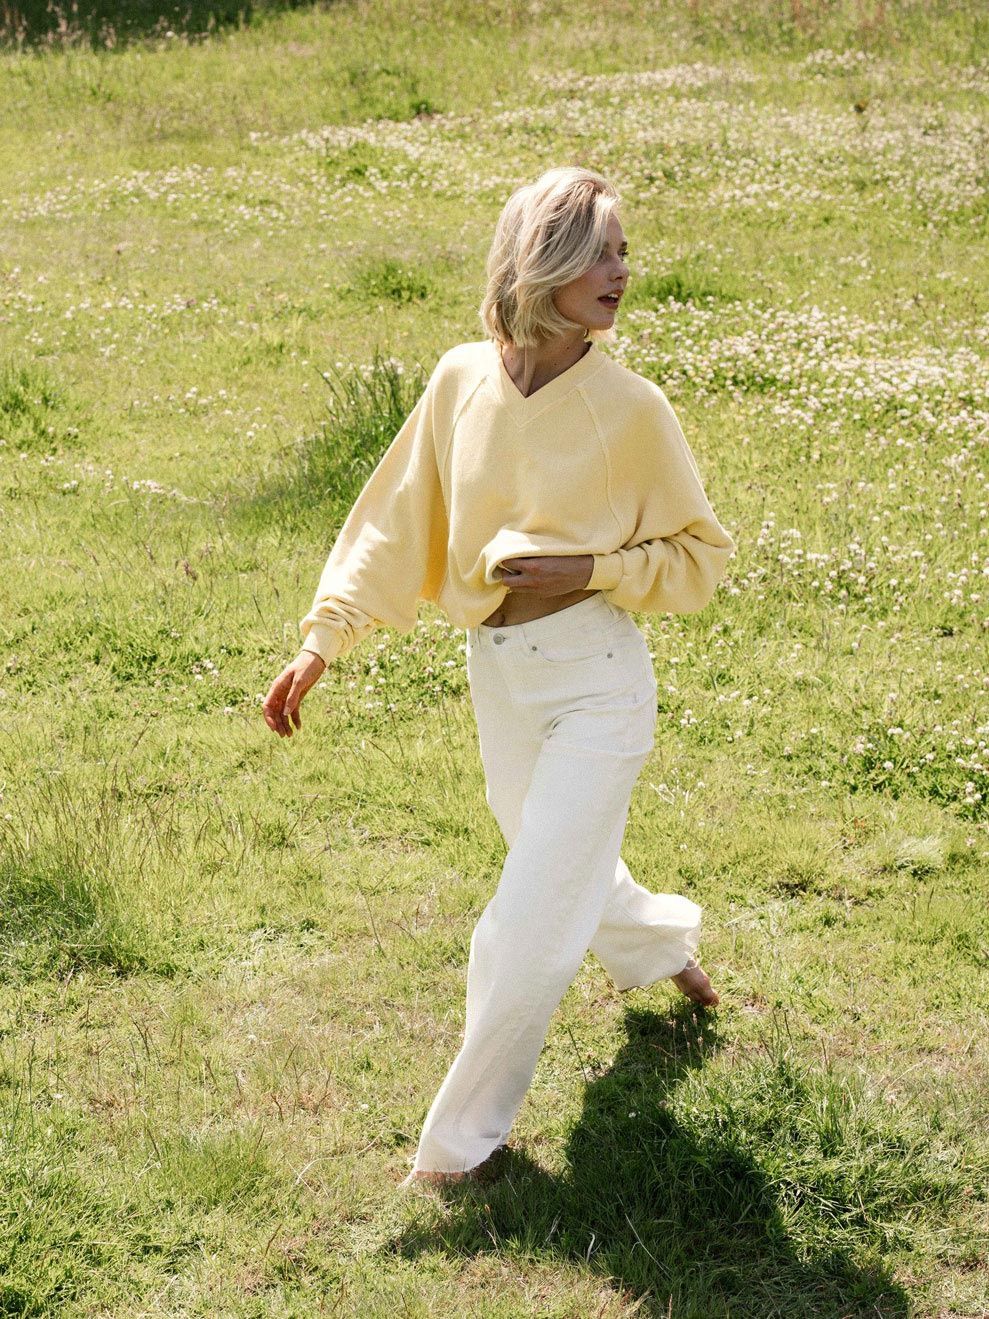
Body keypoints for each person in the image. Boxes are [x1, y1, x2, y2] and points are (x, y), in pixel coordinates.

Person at [262, 166, 737, 1189]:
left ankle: (455, 1151)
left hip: (596, 681)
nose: (621, 270)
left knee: (524, 919)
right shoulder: (459, 380)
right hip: (500, 677)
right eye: (599, 250)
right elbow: (395, 519)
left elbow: (700, 558)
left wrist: (591, 569)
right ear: (540, 259)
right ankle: (659, 944)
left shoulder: (632, 408)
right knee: (550, 857)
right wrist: (323, 638)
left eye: (623, 251)